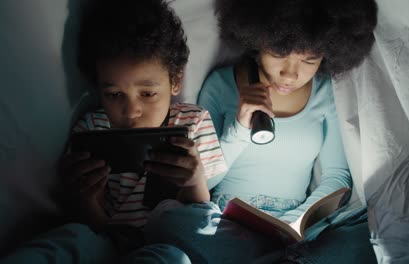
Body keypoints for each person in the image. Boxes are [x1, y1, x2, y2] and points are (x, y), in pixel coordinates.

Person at [144, 0, 378, 263]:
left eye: (309, 60)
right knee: (170, 222)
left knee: (368, 233)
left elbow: (336, 176)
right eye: (280, 54)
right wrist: (241, 129)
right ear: (258, 40)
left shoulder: (325, 94)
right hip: (225, 220)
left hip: (295, 225)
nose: (290, 75)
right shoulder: (220, 85)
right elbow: (201, 180)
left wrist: (294, 221)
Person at [0, 0, 225, 263]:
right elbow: (93, 227)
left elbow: (195, 222)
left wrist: (194, 180)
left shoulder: (193, 123)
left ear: (175, 81)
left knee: (172, 257)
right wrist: (84, 197)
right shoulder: (92, 129)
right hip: (105, 240)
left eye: (148, 93)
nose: (130, 111)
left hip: (169, 239)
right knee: (67, 241)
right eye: (114, 94)